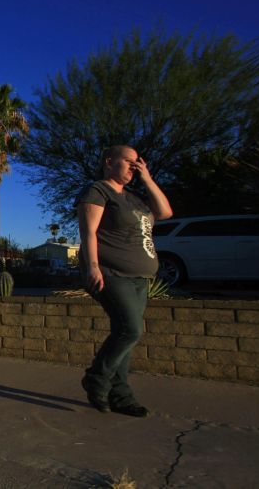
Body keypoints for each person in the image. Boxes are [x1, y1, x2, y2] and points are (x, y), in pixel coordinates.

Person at [76, 145, 173, 417]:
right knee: (131, 330)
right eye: (129, 162)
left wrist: (148, 179)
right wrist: (93, 267)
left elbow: (165, 213)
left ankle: (121, 396)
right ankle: (96, 378)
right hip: (110, 273)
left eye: (138, 163)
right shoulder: (98, 190)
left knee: (125, 336)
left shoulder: (134, 198)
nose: (134, 167)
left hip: (140, 278)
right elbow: (88, 233)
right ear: (109, 162)